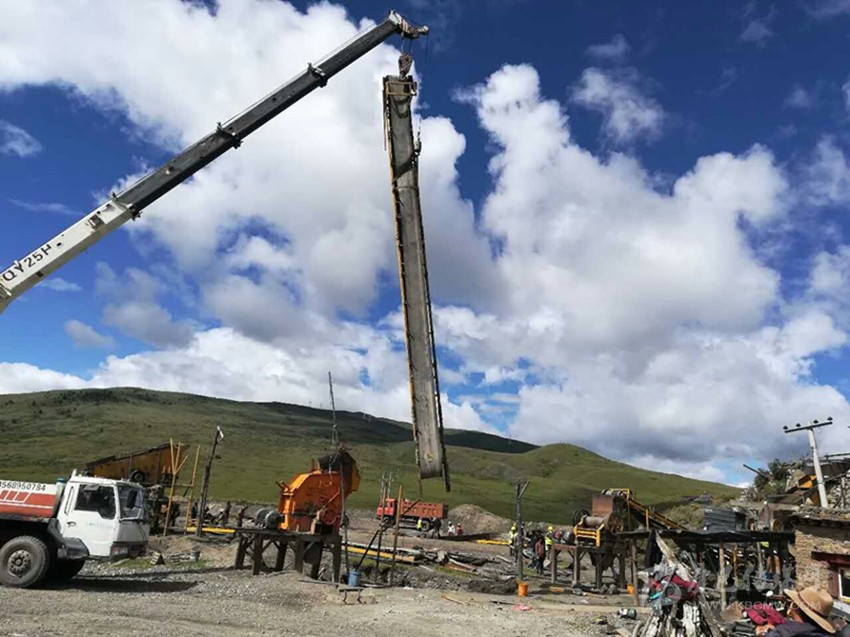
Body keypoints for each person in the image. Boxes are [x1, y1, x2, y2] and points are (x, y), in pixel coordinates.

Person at [756, 587, 837, 636]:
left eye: (791, 602)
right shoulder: (825, 634)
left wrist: (762, 633)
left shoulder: (783, 632)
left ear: (795, 606)